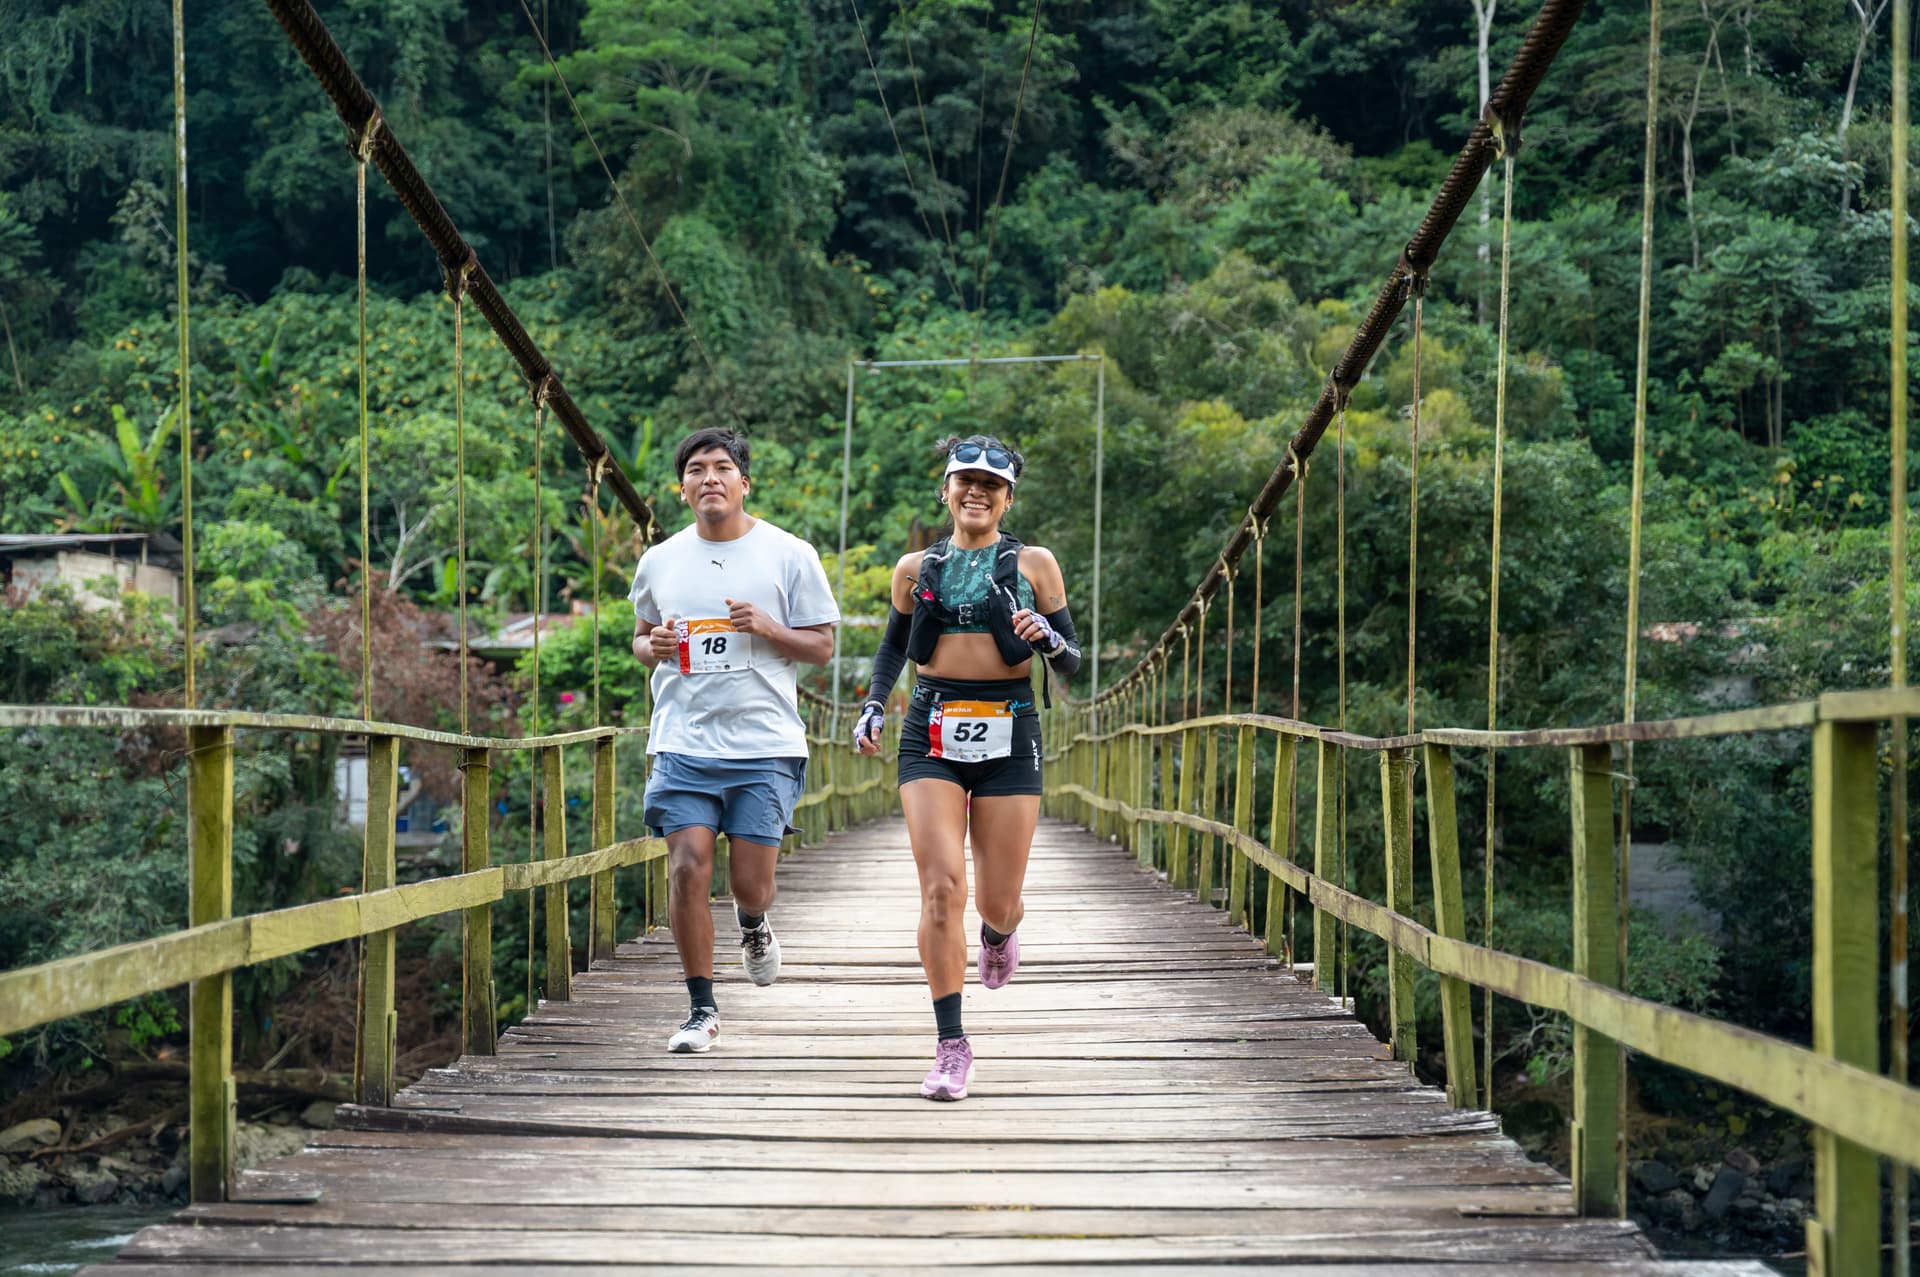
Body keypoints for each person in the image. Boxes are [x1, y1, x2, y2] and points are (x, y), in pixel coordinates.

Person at [853, 434, 1082, 1100]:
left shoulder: (1034, 563)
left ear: (1008, 496)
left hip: (1011, 729)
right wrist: (872, 706)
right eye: (965, 481)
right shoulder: (913, 568)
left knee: (995, 898)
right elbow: (893, 647)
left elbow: (1071, 662)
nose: (977, 492)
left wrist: (1050, 636)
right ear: (947, 491)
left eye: (992, 484)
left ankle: (1000, 930)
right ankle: (951, 1045)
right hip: (930, 727)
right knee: (941, 888)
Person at [630, 427, 839, 1053]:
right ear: (683, 487)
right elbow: (640, 639)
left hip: (764, 746)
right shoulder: (659, 559)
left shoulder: (788, 553)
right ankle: (701, 1008)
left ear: (744, 483)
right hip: (683, 743)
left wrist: (771, 627)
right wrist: (654, 647)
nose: (710, 478)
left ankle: (752, 922)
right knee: (689, 867)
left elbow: (824, 647)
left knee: (752, 884)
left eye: (723, 468)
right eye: (696, 469)